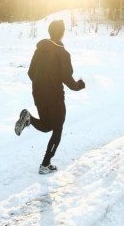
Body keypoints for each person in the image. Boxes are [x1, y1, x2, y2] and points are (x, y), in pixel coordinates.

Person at [14, 19, 85, 174]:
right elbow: (68, 79)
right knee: (57, 129)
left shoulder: (39, 50)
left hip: (38, 94)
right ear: (63, 33)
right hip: (54, 96)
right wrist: (80, 85)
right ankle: (45, 164)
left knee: (47, 126)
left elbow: (31, 72)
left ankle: (29, 118)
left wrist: (42, 84)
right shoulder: (63, 53)